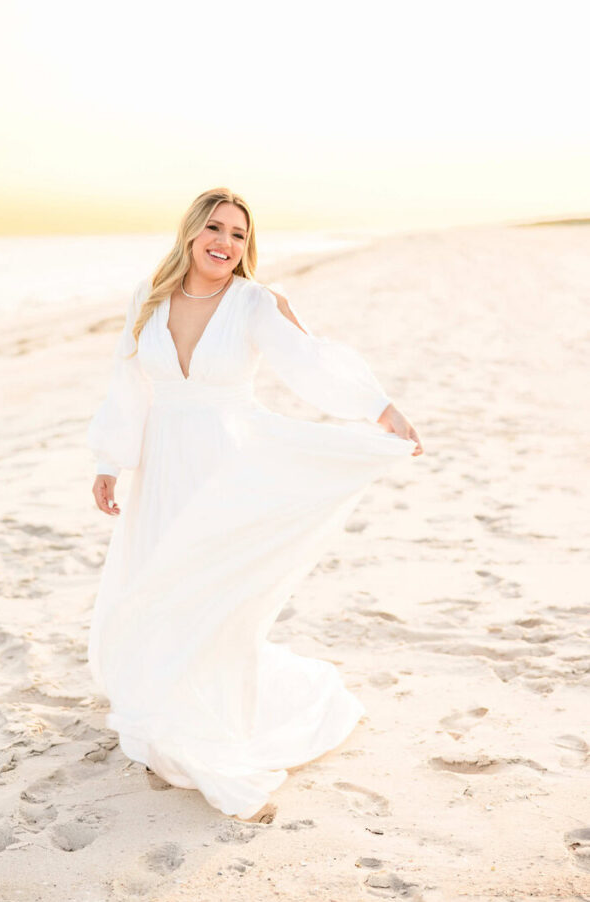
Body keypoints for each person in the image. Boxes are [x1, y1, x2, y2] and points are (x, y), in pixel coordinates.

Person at [87, 186, 423, 820]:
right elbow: (127, 383)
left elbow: (310, 363)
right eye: (215, 228)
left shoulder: (254, 302)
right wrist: (110, 461)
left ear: (248, 245)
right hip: (161, 467)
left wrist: (381, 410)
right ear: (191, 232)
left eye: (238, 234)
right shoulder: (148, 297)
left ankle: (216, 716)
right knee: (160, 582)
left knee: (216, 593)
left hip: (227, 465)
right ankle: (165, 701)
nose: (225, 242)